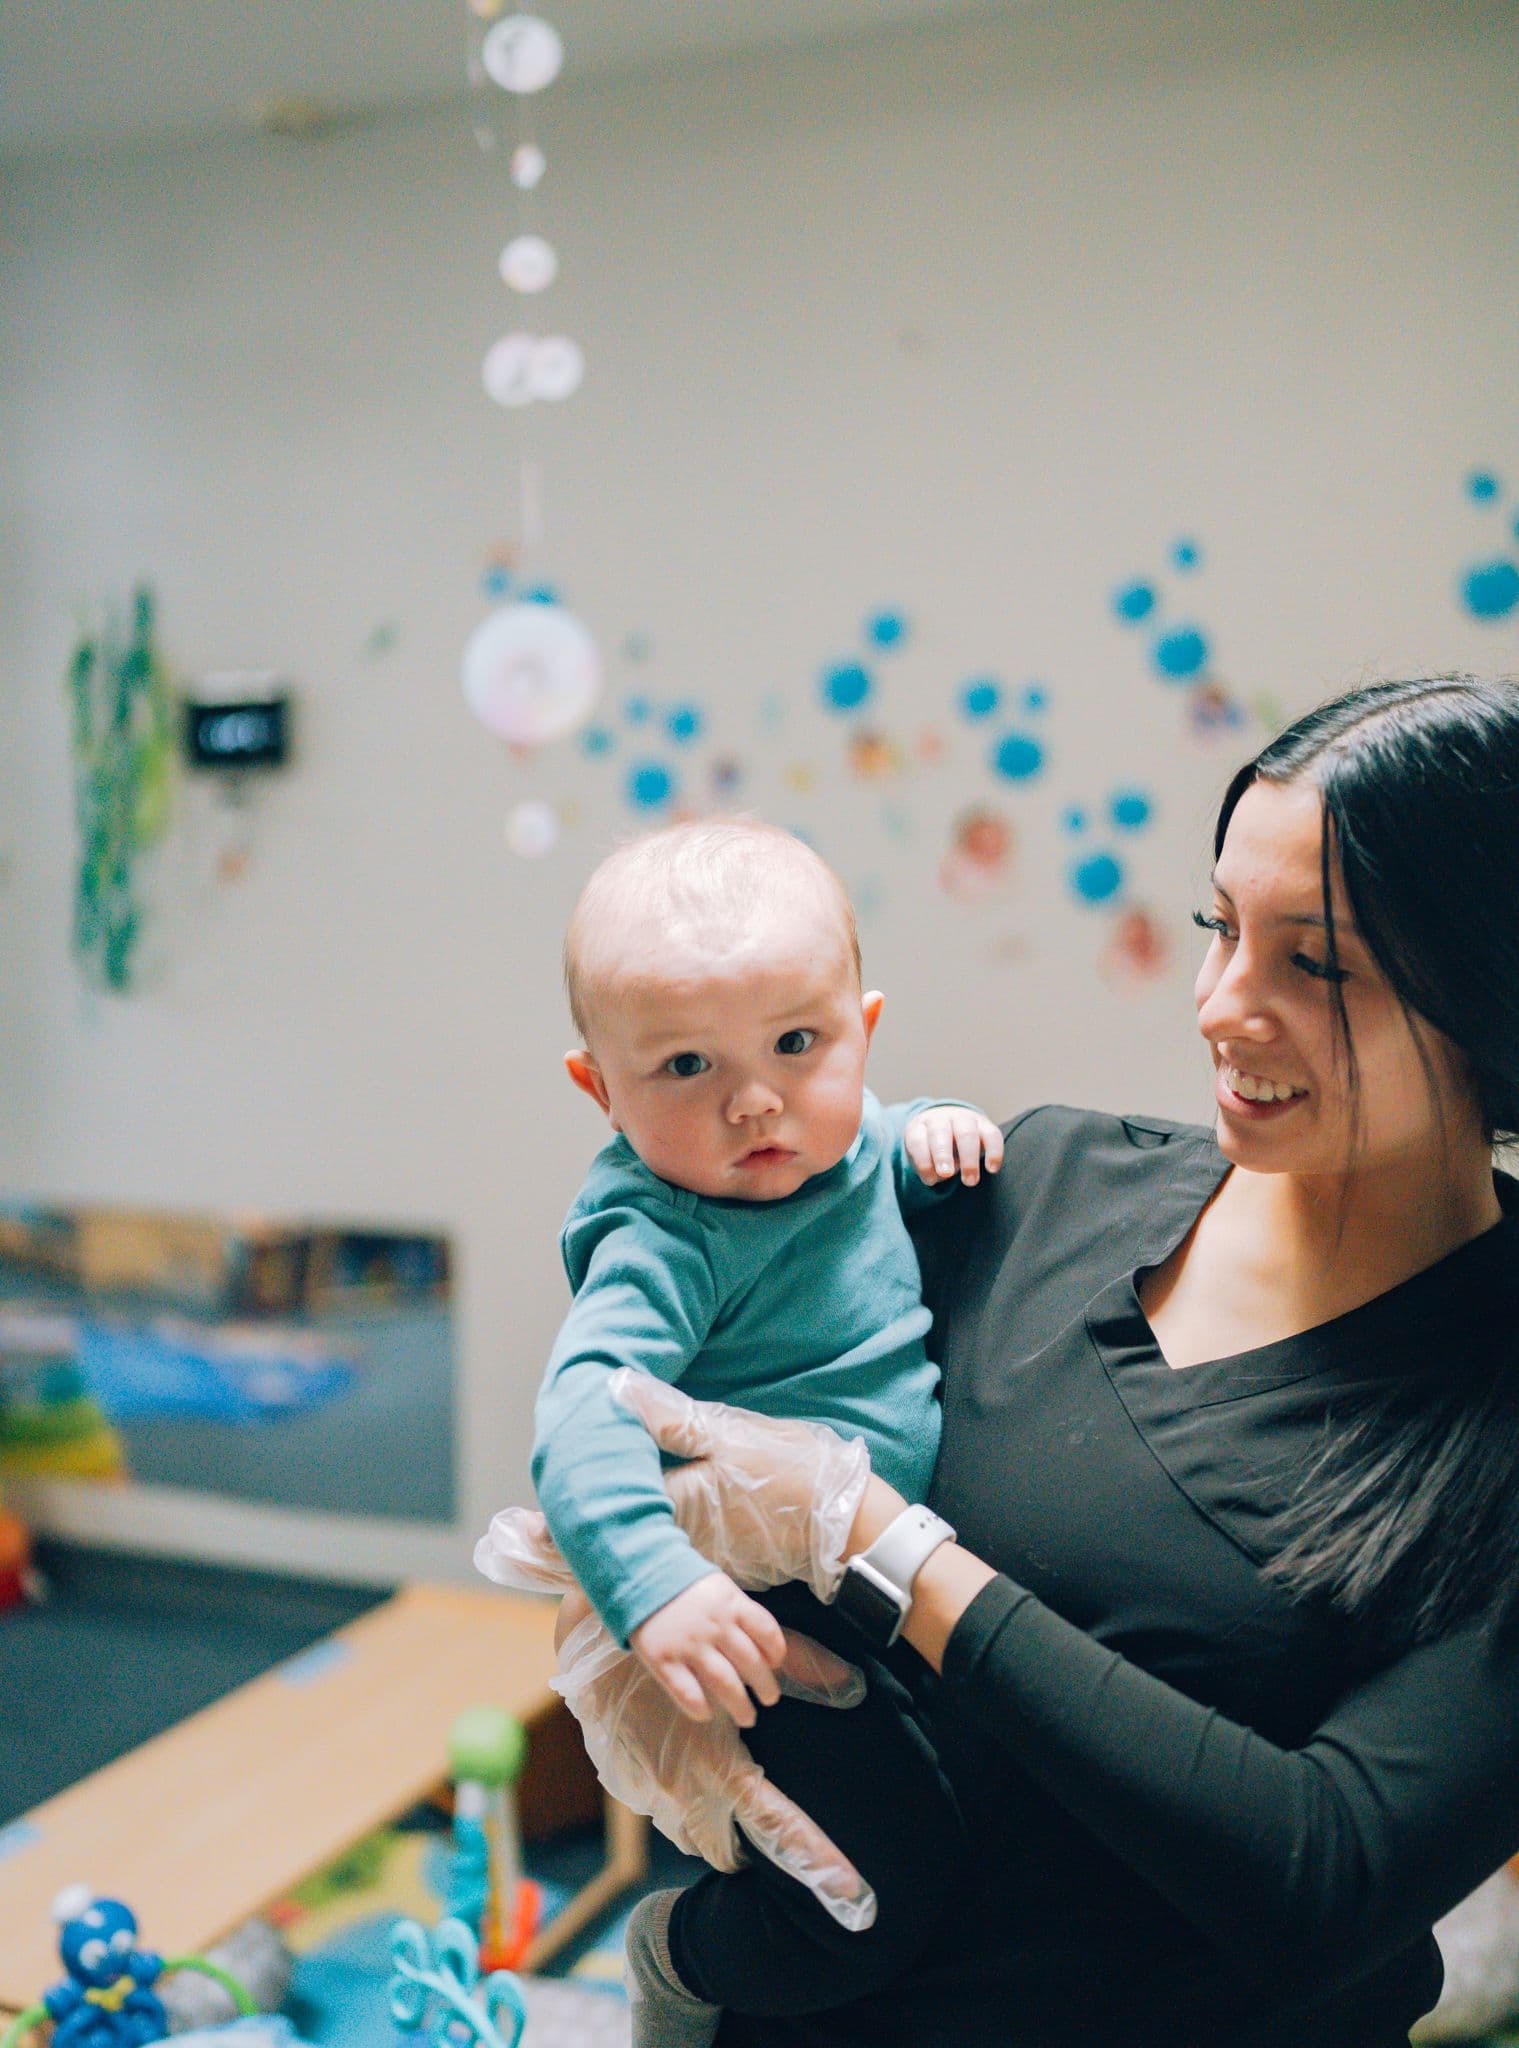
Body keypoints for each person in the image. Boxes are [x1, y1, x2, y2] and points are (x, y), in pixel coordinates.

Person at [516, 675, 1519, 2045]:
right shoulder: (1033, 1181)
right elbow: (702, 1385)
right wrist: (626, 1585)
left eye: (1315, 963)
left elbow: (1321, 1880)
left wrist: (876, 1542)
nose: (1223, 1005)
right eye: (1216, 928)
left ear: (1485, 989)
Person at [475, 816, 1003, 2044]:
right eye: (684, 1068)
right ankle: (676, 1964)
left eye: (797, 1043)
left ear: (862, 1031)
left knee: (968, 1840)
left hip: (874, 1573)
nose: (756, 1097)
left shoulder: (856, 1136)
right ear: (597, 1089)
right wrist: (657, 1587)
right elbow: (583, 1411)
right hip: (749, 1610)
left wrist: (941, 1132)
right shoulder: (668, 1233)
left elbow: (892, 1139)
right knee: (873, 1891)